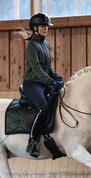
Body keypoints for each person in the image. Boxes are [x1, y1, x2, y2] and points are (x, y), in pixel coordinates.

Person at [20, 13, 64, 158]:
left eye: (47, 26)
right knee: (44, 107)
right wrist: (50, 81)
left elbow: (48, 67)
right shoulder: (32, 46)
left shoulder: (45, 44)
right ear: (35, 28)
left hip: (43, 82)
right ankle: (32, 141)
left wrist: (56, 77)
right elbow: (37, 69)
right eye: (43, 26)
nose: (46, 29)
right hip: (32, 84)